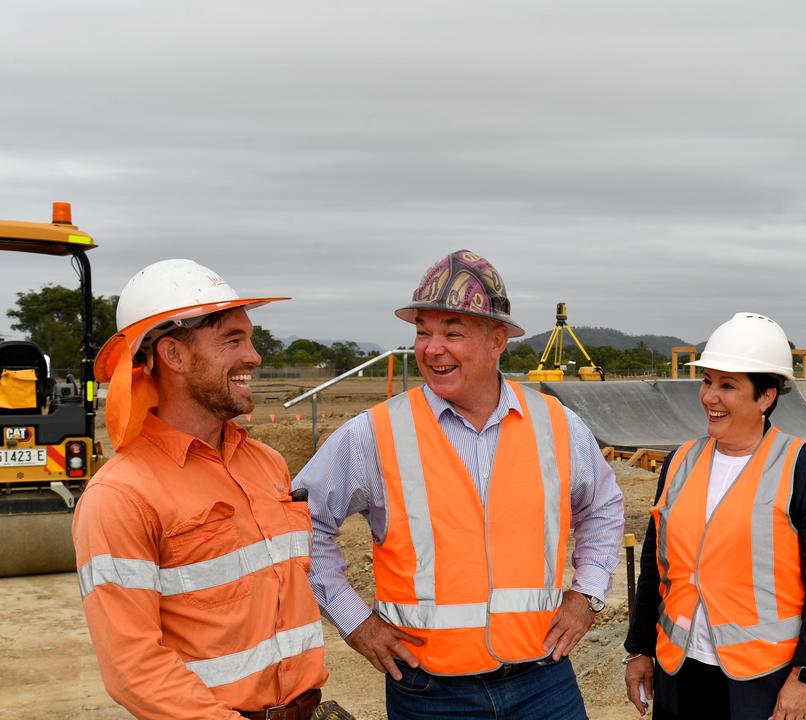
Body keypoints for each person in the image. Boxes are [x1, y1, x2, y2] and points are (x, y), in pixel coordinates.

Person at [295, 249, 624, 720]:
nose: (432, 348)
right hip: (430, 692)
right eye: (423, 333)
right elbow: (300, 523)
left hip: (543, 680)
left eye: (452, 333)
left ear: (497, 341)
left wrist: (587, 594)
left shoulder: (557, 425)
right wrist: (356, 623)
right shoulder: (375, 433)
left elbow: (605, 507)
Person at [73, 259, 328, 719]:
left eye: (250, 339)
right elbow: (133, 669)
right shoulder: (120, 497)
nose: (254, 357)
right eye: (233, 341)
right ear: (173, 355)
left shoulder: (266, 464)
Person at [624, 312, 806, 720]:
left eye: (727, 385)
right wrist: (640, 649)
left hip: (767, 681)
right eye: (707, 381)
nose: (710, 396)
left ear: (766, 396)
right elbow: (655, 567)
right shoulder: (679, 463)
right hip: (682, 673)